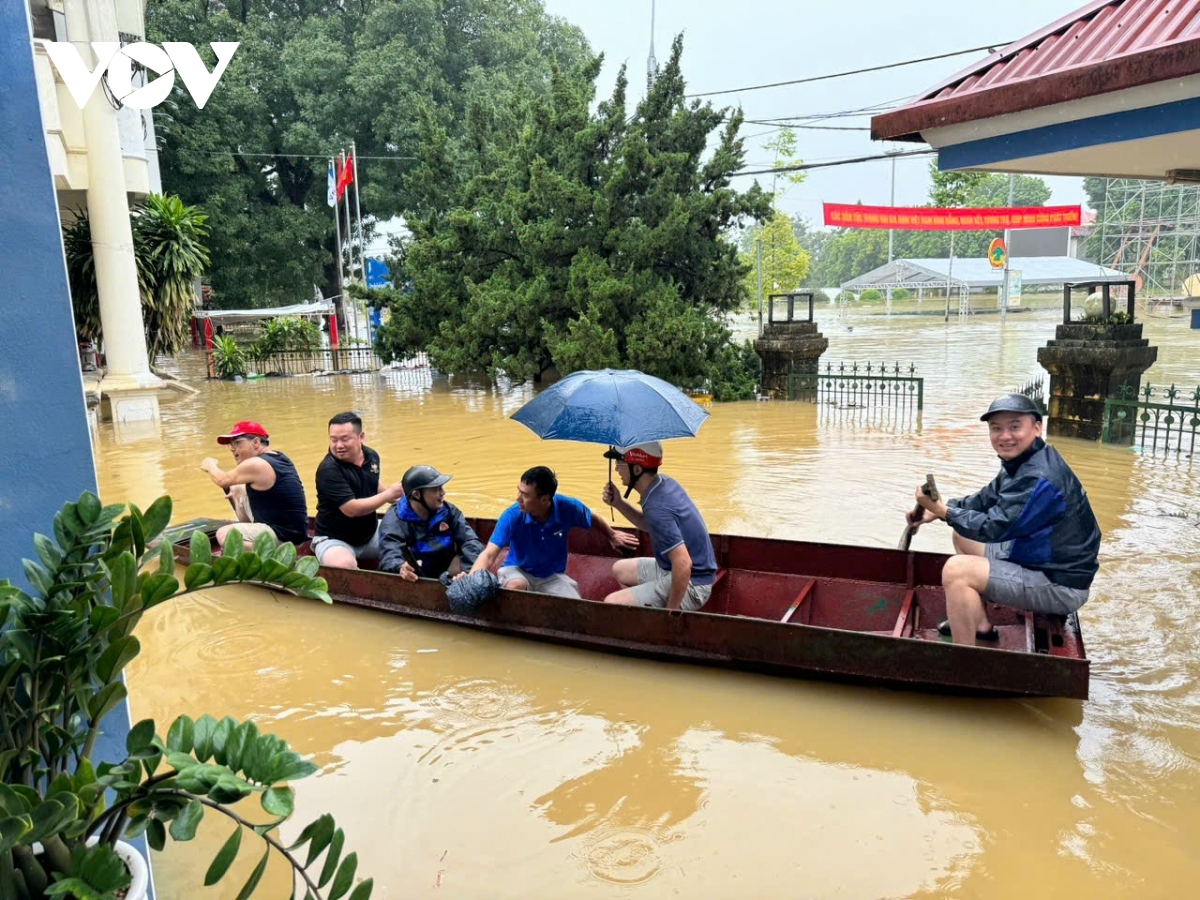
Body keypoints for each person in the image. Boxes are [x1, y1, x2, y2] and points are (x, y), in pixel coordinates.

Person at [908, 394, 1101, 646]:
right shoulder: (1025, 460)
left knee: (956, 571)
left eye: (1014, 427)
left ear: (1037, 427)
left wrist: (945, 512)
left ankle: (962, 657)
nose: (1005, 436)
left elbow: (995, 527)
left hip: (1059, 583)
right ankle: (980, 626)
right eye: (996, 429)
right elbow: (986, 498)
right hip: (1040, 559)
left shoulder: (1038, 477)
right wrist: (944, 510)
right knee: (961, 534)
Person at [464, 466, 638, 597]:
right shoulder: (513, 515)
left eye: (525, 495)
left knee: (574, 605)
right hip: (517, 571)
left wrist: (612, 535)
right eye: (519, 491)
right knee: (515, 586)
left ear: (545, 499)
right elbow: (489, 554)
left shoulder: (567, 507)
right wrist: (470, 583)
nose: (518, 498)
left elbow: (592, 516)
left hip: (552, 576)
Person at [600, 442, 718, 612]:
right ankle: (644, 614)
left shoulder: (657, 507)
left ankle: (654, 625)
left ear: (637, 470)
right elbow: (651, 525)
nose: (617, 469)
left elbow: (684, 564)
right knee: (619, 570)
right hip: (673, 569)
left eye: (620, 463)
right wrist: (618, 503)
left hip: (693, 584)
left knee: (611, 603)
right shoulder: (663, 484)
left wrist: (671, 613)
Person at [312, 411, 405, 569]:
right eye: (333, 440)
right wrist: (388, 494)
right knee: (344, 565)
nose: (338, 445)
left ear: (361, 437)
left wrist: (394, 497)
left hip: (370, 534)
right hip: (335, 539)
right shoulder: (329, 470)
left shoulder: (371, 456)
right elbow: (351, 509)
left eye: (344, 439)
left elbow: (371, 481)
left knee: (415, 536)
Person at [200, 421, 309, 550]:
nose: (233, 449)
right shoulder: (279, 456)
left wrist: (210, 465)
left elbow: (222, 480)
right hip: (292, 531)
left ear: (256, 442)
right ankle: (253, 543)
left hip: (285, 536)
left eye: (237, 443)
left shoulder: (257, 464)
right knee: (237, 487)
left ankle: (276, 555)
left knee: (224, 535)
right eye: (231, 445)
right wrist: (237, 491)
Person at [378, 465, 484, 581]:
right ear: (417, 495)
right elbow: (389, 555)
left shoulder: (448, 511)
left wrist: (469, 572)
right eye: (435, 490)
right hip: (415, 578)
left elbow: (470, 541)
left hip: (448, 571)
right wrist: (400, 567)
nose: (443, 493)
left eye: (441, 488)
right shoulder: (394, 520)